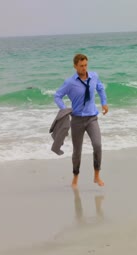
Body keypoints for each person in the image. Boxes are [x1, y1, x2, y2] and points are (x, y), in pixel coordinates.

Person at [54, 54, 108, 188]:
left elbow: (100, 88)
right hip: (77, 120)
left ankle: (96, 176)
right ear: (75, 66)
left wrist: (104, 103)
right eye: (81, 66)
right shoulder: (70, 82)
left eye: (85, 65)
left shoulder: (94, 76)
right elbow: (57, 96)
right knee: (77, 151)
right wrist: (64, 109)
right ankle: (75, 177)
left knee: (97, 145)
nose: (84, 68)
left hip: (92, 118)